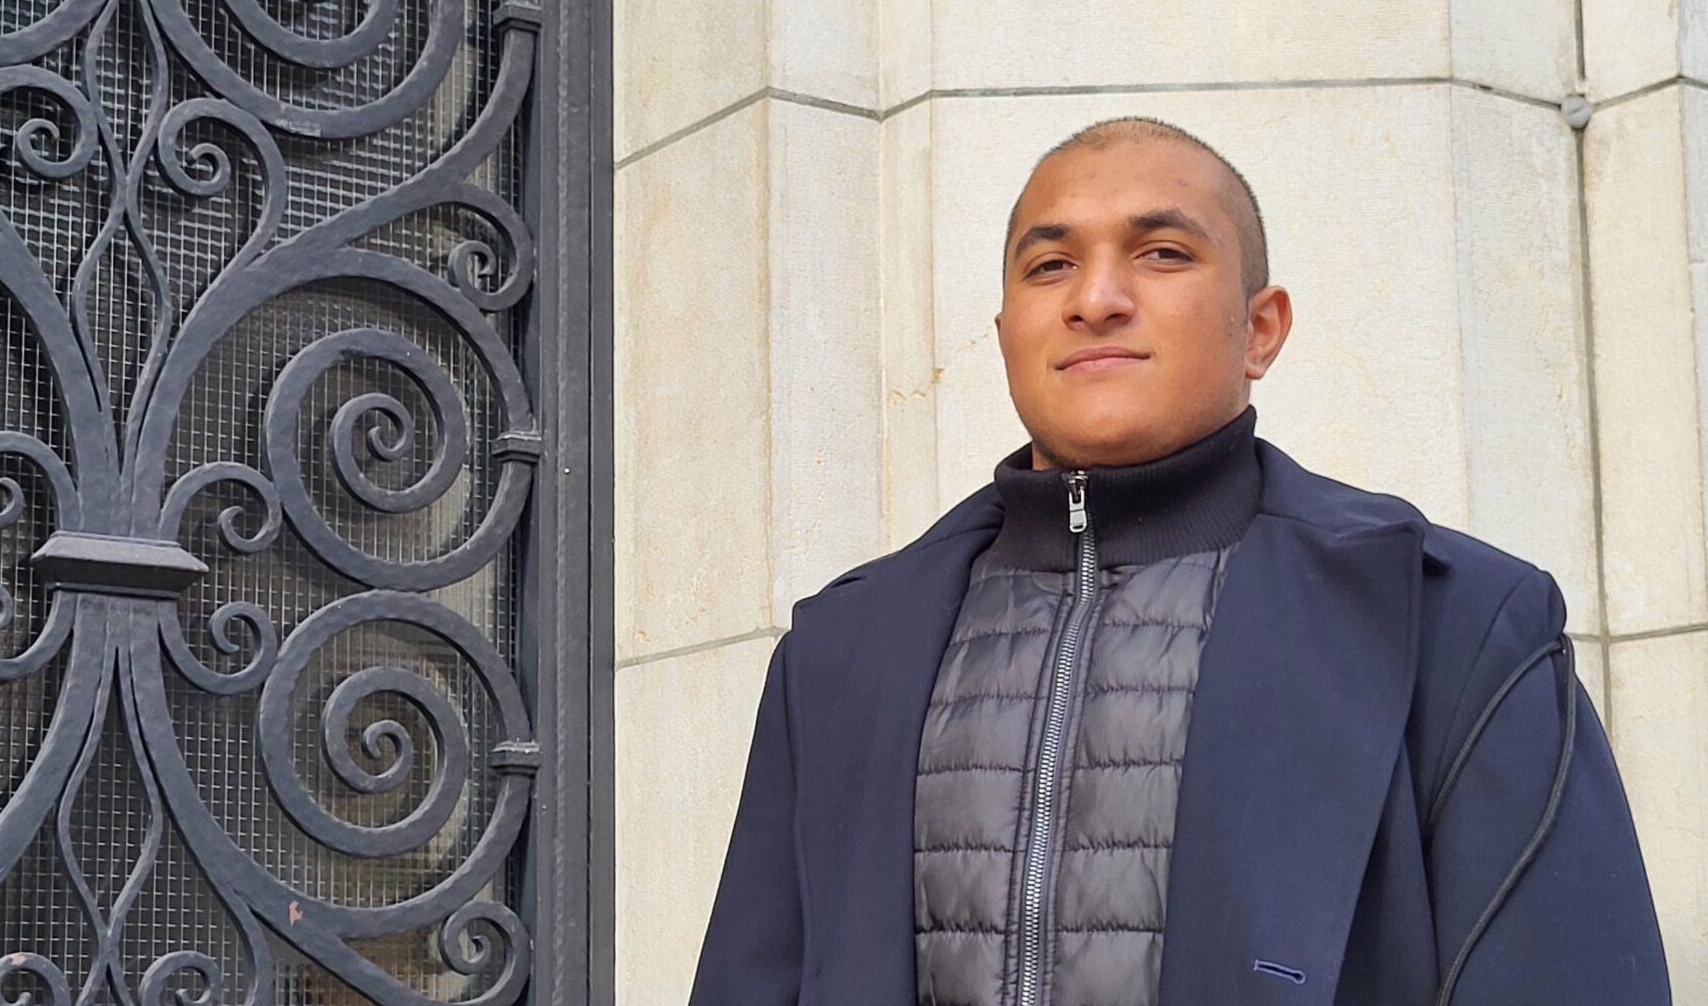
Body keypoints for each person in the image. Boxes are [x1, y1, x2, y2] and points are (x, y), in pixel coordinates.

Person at [685, 117, 1670, 1006]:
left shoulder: (1453, 627)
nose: (1096, 298)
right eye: (1049, 266)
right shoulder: (842, 650)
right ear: (1005, 333)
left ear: (1262, 327)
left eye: (1160, 252)